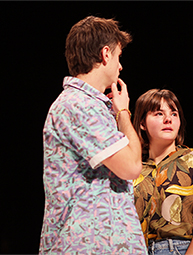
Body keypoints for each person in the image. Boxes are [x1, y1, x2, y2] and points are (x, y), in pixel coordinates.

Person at [39, 16, 148, 254]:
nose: (121, 66)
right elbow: (131, 166)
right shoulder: (79, 105)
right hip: (89, 244)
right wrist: (123, 112)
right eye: (119, 57)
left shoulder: (89, 106)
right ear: (105, 54)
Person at [132, 88, 193, 255]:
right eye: (159, 114)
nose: (168, 119)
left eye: (174, 114)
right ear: (142, 123)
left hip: (186, 249)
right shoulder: (134, 169)